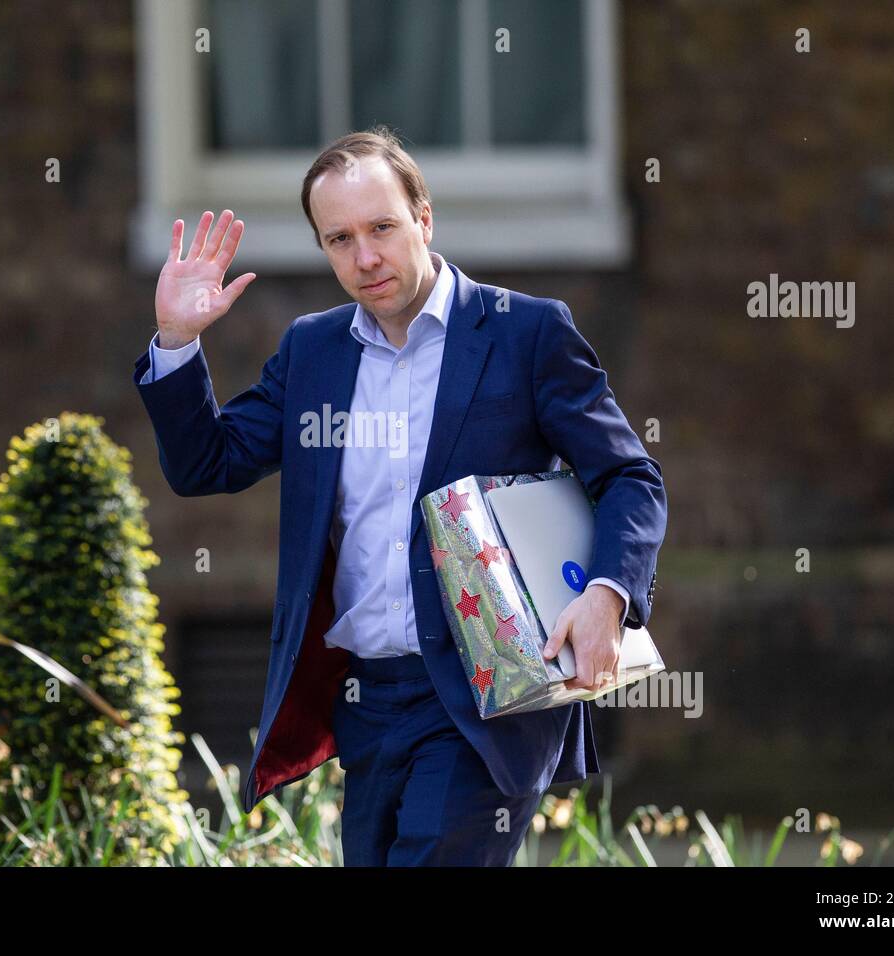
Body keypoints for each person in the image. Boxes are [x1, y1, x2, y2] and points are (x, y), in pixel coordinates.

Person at [133, 126, 666, 866]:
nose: (366, 258)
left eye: (381, 227)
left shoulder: (526, 334)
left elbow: (628, 478)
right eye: (340, 239)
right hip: (363, 701)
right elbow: (207, 465)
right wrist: (175, 341)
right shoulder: (314, 352)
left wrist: (607, 597)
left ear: (424, 217)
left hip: (485, 696)